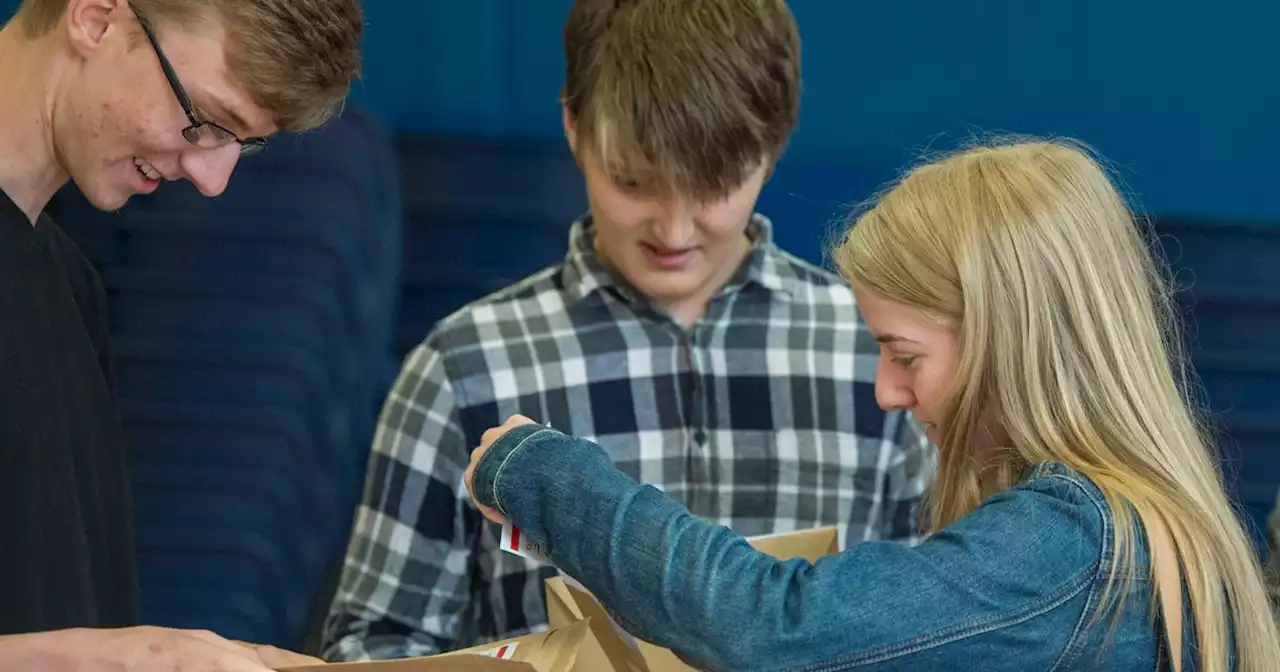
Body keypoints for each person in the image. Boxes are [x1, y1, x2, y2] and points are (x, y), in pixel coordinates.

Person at [464, 139, 1280, 671]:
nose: (889, 392)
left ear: (1010, 342)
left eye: (905, 355)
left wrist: (537, 471)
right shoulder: (1141, 529)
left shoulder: (1068, 543)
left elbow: (773, 628)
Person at [322, 0, 934, 661]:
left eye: (712, 187)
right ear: (575, 126)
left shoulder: (879, 357)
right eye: (633, 181)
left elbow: (944, 630)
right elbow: (374, 647)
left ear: (774, 147)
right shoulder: (462, 370)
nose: (673, 230)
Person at [0, 0, 361, 668]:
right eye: (205, 120)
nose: (211, 178)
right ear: (96, 17)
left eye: (241, 143)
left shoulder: (68, 289)